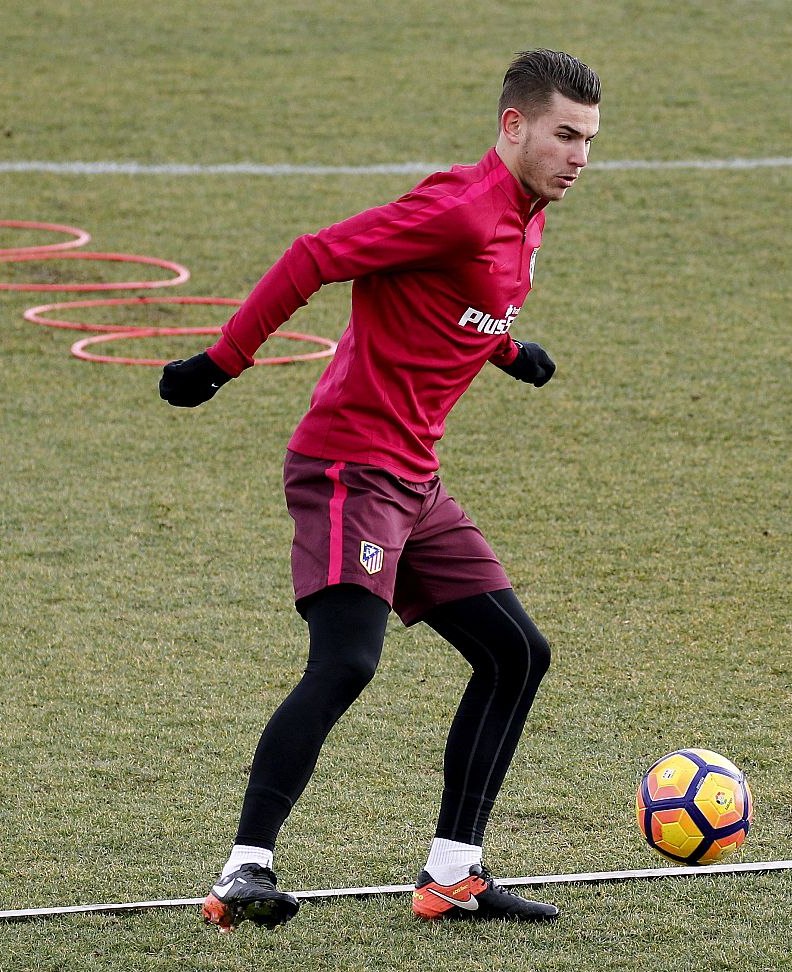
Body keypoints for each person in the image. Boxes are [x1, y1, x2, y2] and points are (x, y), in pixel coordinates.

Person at [159, 50, 601, 928]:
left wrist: (509, 349)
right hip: (348, 469)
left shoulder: (528, 213)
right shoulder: (459, 207)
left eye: (590, 140)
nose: (580, 156)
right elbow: (318, 255)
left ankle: (455, 875)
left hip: (415, 481)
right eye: (564, 135)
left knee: (517, 654)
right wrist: (219, 363)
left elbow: (454, 302)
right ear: (513, 126)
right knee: (348, 661)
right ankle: (245, 869)